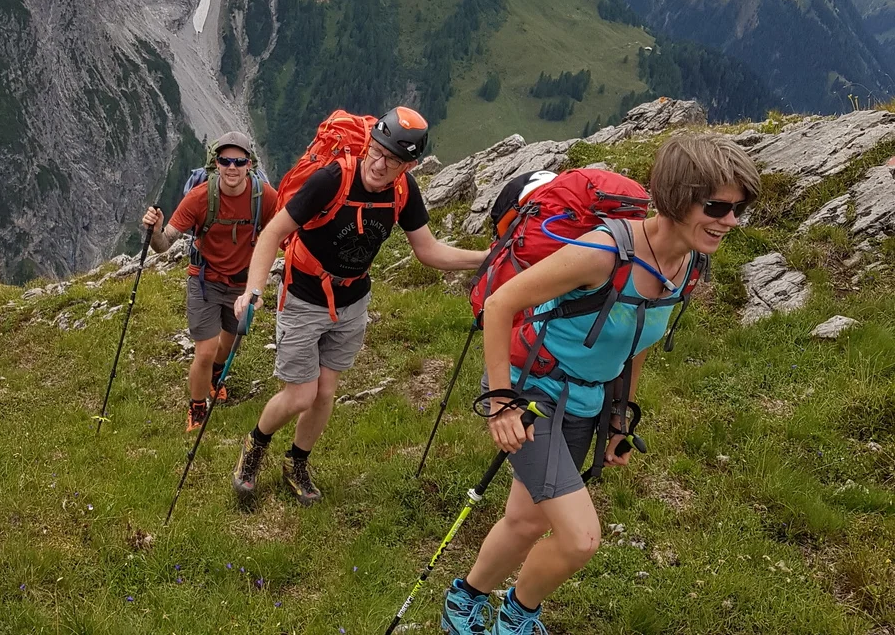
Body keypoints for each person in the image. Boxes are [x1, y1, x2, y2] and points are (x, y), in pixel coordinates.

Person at [439, 134, 761, 634]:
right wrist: (501, 403)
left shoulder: (689, 263)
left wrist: (620, 417)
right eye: (717, 206)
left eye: (739, 208)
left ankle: (463, 600)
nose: (730, 220)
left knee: (528, 520)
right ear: (677, 197)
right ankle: (516, 617)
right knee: (580, 539)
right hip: (533, 392)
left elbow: (637, 341)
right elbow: (501, 305)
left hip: (587, 398)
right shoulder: (602, 252)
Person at [228, 107, 491, 506]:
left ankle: (296, 462)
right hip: (304, 295)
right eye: (377, 151)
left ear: (407, 165)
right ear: (370, 143)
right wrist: (253, 290)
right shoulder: (333, 178)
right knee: (300, 395)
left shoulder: (404, 191)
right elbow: (273, 233)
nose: (379, 164)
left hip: (352, 300)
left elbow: (428, 251)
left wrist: (487, 257)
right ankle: (255, 444)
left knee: (325, 392)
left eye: (393, 160)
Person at [142, 132, 278, 431]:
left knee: (227, 345)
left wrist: (261, 285)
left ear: (249, 165)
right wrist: (154, 231)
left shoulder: (265, 197)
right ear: (215, 164)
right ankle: (198, 407)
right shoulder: (199, 198)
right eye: (225, 161)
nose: (232, 167)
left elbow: (279, 235)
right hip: (204, 281)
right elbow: (164, 244)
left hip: (242, 286)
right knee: (205, 350)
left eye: (239, 161)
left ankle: (217, 374)